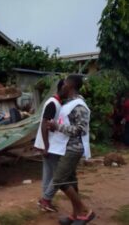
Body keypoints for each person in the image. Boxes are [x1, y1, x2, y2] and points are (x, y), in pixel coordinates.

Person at [48, 75, 95, 225]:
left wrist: (58, 126)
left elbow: (81, 130)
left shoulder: (79, 106)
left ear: (70, 86)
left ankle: (84, 210)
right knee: (70, 181)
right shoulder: (70, 103)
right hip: (66, 146)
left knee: (59, 180)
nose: (62, 86)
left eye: (65, 83)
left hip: (74, 148)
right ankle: (76, 215)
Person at [34, 79, 65, 212]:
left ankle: (45, 202)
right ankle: (46, 199)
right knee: (60, 174)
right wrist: (46, 146)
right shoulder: (53, 103)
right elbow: (44, 124)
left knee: (48, 174)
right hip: (50, 145)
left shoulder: (56, 103)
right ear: (62, 88)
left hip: (49, 144)